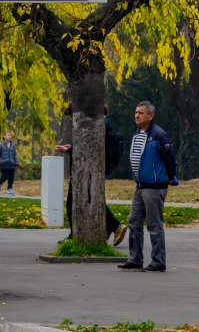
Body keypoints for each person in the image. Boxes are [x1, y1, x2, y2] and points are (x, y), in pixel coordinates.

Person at [118, 100, 177, 272]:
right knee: (134, 223)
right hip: (140, 186)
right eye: (136, 112)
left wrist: (169, 177)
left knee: (154, 225)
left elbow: (170, 160)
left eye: (141, 113)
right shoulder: (137, 134)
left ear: (150, 116)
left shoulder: (159, 135)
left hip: (154, 187)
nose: (136, 115)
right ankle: (135, 259)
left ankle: (158, 262)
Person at [56, 104, 125, 245]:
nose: (71, 119)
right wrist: (73, 147)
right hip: (92, 170)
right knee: (92, 199)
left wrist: (68, 150)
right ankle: (111, 228)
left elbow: (88, 150)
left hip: (85, 171)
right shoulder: (103, 125)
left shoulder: (91, 126)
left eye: (71, 116)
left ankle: (114, 226)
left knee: (72, 203)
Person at [0, 130, 19, 196]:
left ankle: (9, 189)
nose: (10, 136)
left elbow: (14, 155)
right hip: (4, 163)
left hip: (11, 163)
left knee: (11, 177)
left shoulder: (13, 145)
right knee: (5, 175)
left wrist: (16, 162)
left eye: (10, 135)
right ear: (4, 136)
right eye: (8, 135)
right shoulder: (0, 144)